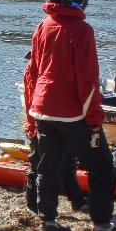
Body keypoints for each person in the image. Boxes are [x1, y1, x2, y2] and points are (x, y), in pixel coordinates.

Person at [24, 0, 116, 231]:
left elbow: (33, 72)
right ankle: (102, 228)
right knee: (102, 168)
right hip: (72, 112)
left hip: (43, 108)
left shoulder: (43, 26)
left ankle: (48, 223)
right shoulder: (82, 30)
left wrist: (31, 112)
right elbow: (87, 80)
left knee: (47, 166)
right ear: (84, 2)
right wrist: (95, 120)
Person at [22, 50, 88, 215]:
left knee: (67, 160)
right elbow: (31, 98)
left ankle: (77, 200)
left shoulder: (50, 67)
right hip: (41, 120)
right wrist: (32, 126)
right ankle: (32, 205)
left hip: (56, 118)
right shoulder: (35, 69)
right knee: (38, 163)